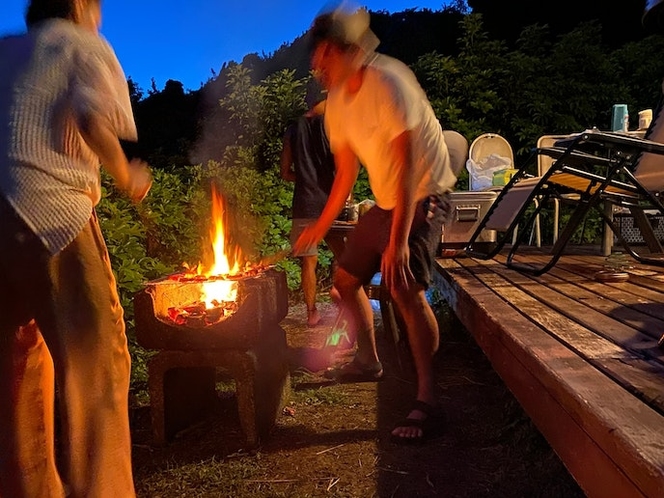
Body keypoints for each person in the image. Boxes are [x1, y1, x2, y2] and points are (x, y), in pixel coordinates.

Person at [0, 0, 151, 495]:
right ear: (83, 5)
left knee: (18, 379)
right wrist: (126, 173)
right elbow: (91, 117)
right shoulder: (81, 43)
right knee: (97, 374)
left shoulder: (7, 50)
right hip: (52, 217)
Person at [293, 5, 457, 443]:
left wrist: (399, 241)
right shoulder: (338, 106)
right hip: (389, 201)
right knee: (344, 280)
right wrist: (318, 226)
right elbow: (346, 175)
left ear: (343, 52)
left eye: (322, 56)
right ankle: (369, 361)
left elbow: (407, 167)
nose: (316, 66)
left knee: (403, 286)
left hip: (428, 193)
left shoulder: (390, 81)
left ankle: (429, 399)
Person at [280, 96, 345, 327]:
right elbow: (341, 169)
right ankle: (345, 308)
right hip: (330, 202)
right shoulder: (331, 126)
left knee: (309, 262)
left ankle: (311, 314)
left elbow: (285, 172)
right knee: (343, 256)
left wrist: (306, 179)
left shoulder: (292, 130)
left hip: (305, 202)